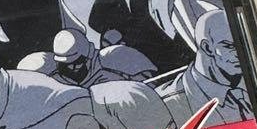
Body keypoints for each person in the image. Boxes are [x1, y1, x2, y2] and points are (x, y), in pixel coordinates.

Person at [157, 9, 252, 128]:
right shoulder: (167, 106)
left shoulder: (251, 81)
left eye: (244, 44)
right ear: (207, 48)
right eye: (230, 46)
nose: (240, 53)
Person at [17, 28, 156, 87]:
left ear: (87, 56)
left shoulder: (110, 58)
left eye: (77, 62)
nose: (72, 68)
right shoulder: (51, 75)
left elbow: (149, 81)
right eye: (66, 64)